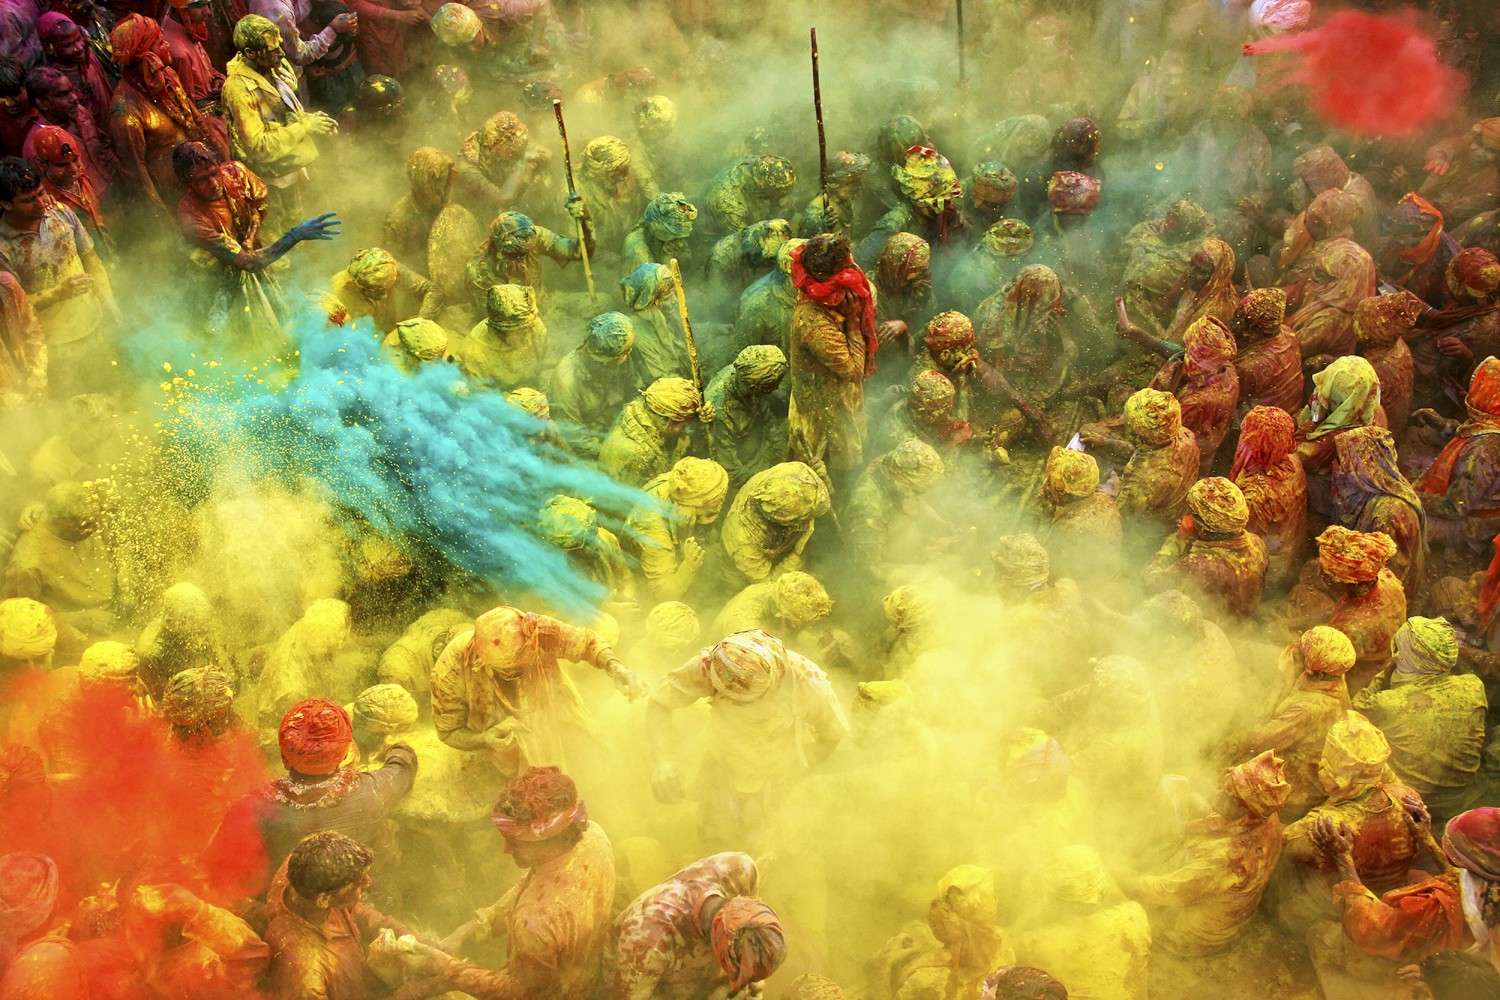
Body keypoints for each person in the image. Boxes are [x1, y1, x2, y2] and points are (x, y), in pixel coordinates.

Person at [390, 767, 616, 999]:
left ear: (545, 840)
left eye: (515, 843)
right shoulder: (592, 836)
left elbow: (518, 993)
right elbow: (533, 886)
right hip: (591, 974)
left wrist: (446, 967)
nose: (506, 849)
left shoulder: (534, 924)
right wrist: (467, 931)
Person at [648, 629, 848, 847]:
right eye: (722, 694)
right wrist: (663, 762)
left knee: (762, 842)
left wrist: (792, 776)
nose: (731, 702)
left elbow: (833, 735)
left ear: (772, 685)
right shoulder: (713, 664)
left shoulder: (806, 682)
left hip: (773, 771)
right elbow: (660, 702)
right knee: (711, 831)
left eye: (743, 701)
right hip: (720, 760)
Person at [203, 699, 416, 902]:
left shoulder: (251, 807)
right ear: (344, 756)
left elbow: (215, 875)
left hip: (281, 911)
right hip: (367, 908)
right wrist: (397, 747)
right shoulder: (371, 791)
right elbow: (402, 768)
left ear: (284, 757)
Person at [429, 605, 645, 779]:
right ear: (483, 661)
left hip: (559, 709)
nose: (521, 677)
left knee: (594, 763)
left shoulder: (536, 629)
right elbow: (449, 732)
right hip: (504, 742)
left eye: (526, 664)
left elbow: (587, 642)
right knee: (530, 791)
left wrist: (617, 668)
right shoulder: (451, 669)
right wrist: (484, 738)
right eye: (511, 672)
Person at [172, 139, 341, 348]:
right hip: (219, 279)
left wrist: (250, 238)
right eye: (202, 180)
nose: (213, 183)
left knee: (276, 325)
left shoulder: (235, 173)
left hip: (253, 259)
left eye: (214, 173)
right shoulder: (192, 216)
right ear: (187, 182)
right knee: (230, 342)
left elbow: (259, 206)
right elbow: (248, 263)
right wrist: (295, 235)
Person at [1124, 751, 1290, 956]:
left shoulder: (1228, 857)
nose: (1219, 793)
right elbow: (1218, 823)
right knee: (1193, 804)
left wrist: (1126, 878)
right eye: (1226, 785)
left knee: (1133, 917)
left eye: (1229, 795)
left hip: (1196, 932)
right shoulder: (1265, 813)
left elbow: (1168, 891)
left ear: (1247, 811)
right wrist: (1176, 827)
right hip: (1230, 908)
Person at [264, 831, 445, 1000]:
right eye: (357, 884)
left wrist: (426, 945)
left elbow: (363, 915)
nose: (368, 882)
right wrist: (425, 989)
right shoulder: (305, 976)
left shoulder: (301, 868)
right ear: (324, 900)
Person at [0, 157, 118, 396]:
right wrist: (59, 293)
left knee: (114, 395)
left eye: (41, 193)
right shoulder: (4, 247)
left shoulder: (61, 214)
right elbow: (12, 312)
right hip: (55, 347)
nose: (41, 204)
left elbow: (91, 259)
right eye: (28, 200)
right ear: (5, 204)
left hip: (94, 326)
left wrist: (109, 303)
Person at [1353, 617, 1487, 821]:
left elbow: (1356, 707)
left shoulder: (1389, 703)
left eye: (1399, 651)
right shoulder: (1473, 686)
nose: (1396, 655)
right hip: (1459, 799)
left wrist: (1384, 673)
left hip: (1406, 803)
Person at [613, 852, 785, 1000]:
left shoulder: (741, 871)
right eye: (739, 971)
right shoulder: (650, 935)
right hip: (640, 981)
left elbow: (754, 940)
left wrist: (752, 982)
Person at [221, 14, 337, 223]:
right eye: (273, 49)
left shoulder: (273, 67)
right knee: (279, 234)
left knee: (302, 223)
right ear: (250, 53)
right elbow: (258, 147)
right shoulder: (238, 89)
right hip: (268, 184)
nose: (281, 53)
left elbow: (282, 114)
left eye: (279, 45)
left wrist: (315, 122)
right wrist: (305, 126)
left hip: (290, 168)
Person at [107, 14, 225, 211]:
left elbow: (194, 119)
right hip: (175, 198)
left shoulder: (167, 76)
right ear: (146, 56)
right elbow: (137, 175)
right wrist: (162, 218)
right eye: (161, 42)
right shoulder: (125, 111)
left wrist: (219, 157)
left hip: (204, 177)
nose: (168, 45)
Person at [787, 233, 878, 485]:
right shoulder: (813, 322)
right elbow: (853, 371)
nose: (852, 273)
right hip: (824, 413)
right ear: (823, 277)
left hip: (841, 399)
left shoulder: (830, 287)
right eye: (844, 272)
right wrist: (853, 320)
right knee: (825, 474)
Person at [1239, 626, 1355, 817]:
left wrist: (1281, 682)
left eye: (1300, 652)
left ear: (1315, 672)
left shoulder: (1308, 708)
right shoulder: (1335, 677)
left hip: (1298, 791)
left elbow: (1258, 741)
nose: (1292, 651)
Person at [1012, 845, 1151, 1000]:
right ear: (1102, 888)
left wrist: (1031, 909)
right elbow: (1115, 897)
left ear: (1052, 898)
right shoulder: (1134, 917)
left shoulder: (1032, 944)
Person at [1147, 476, 1268, 621]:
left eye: (1192, 513)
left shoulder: (1201, 565)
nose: (1187, 517)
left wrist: (1180, 539)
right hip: (1242, 623)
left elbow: (1150, 583)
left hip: (1210, 628)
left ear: (1205, 527)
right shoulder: (1257, 544)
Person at [1331, 427, 1426, 594]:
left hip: (1383, 595)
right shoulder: (1378, 488)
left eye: (1343, 461)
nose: (1336, 467)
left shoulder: (1388, 514)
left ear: (1362, 467)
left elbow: (1387, 578)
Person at [1421, 356, 1500, 557]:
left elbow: (1454, 507)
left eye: (1477, 386)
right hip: (1475, 511)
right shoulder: (1491, 423)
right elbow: (1469, 434)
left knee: (1400, 520)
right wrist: (1444, 424)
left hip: (1472, 527)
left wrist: (1412, 498)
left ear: (1485, 396)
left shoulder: (1484, 450)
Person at [1315, 525, 1409, 692]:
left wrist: (1288, 638)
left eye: (1326, 573)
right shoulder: (1384, 577)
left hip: (1359, 681)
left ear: (1346, 581)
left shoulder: (1353, 627)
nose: (1320, 576)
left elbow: (1322, 663)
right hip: (1385, 654)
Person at [623, 457, 730, 603]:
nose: (713, 515)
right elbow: (665, 595)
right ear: (687, 509)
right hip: (641, 580)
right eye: (709, 512)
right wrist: (689, 567)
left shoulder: (679, 486)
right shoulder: (652, 527)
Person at [719, 461, 831, 590]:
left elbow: (813, 494)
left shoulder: (786, 475)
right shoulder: (742, 542)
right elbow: (767, 585)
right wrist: (796, 554)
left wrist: (822, 480)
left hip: (778, 549)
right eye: (803, 518)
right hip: (743, 576)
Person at [1112, 387, 1200, 546]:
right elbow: (1147, 452)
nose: (1123, 422)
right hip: (1170, 517)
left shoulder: (1143, 482)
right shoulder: (1184, 436)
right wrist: (1107, 443)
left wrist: (1106, 493)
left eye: (1127, 423)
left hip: (1146, 537)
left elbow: (1118, 519)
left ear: (1138, 437)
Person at [464, 206, 594, 312]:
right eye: (516, 254)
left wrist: (585, 220)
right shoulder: (479, 271)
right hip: (520, 319)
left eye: (527, 251)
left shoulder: (531, 236)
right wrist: (519, 282)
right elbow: (498, 320)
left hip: (545, 304)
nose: (523, 257)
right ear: (500, 248)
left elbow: (581, 252)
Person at [548, 312, 637, 459]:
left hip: (615, 429)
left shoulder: (620, 357)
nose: (626, 357)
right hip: (587, 447)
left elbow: (631, 393)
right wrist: (609, 453)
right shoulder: (566, 380)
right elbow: (574, 436)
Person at [599, 376, 709, 489]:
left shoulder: (636, 414)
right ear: (666, 421)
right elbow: (643, 495)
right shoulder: (639, 454)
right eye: (684, 425)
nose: (685, 428)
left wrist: (706, 417)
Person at [704, 344, 788, 491]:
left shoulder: (747, 373)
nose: (775, 389)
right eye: (768, 388)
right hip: (739, 466)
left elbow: (770, 423)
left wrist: (782, 458)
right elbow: (731, 470)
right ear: (753, 387)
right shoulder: (720, 410)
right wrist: (769, 482)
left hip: (754, 444)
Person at [23, 67, 115, 199]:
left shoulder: (80, 113)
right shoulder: (36, 146)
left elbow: (105, 147)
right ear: (42, 103)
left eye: (72, 90)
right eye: (62, 95)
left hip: (116, 193)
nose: (74, 98)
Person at [1042, 445, 1122, 581]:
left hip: (1083, 587)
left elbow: (1049, 572)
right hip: (1108, 574)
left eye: (1050, 483)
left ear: (1064, 492)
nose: (1046, 486)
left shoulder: (1067, 529)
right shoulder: (1104, 500)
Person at [324, 246, 441, 335]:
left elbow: (434, 290)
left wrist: (421, 323)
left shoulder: (386, 266)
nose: (384, 296)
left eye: (387, 289)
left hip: (387, 331)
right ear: (362, 287)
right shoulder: (339, 295)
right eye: (378, 291)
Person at [1353, 292, 1423, 435]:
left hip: (1380, 433)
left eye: (1359, 321)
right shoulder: (1398, 345)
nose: (1353, 323)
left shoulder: (1374, 368)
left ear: (1372, 330)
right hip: (1397, 426)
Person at [452, 282, 543, 390]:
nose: (525, 333)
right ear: (499, 330)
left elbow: (544, 366)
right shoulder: (473, 354)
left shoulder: (535, 327)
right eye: (517, 330)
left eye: (526, 328)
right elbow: (478, 395)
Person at [1230, 287, 1303, 416]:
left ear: (1253, 329)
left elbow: (1227, 399)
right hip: (1288, 412)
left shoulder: (1251, 366)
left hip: (1262, 419)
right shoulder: (1287, 333)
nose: (1235, 322)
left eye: (1241, 318)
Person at [620, 261, 692, 388]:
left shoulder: (664, 315)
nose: (675, 300)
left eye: (673, 293)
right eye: (667, 297)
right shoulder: (639, 336)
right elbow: (659, 384)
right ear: (651, 301)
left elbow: (683, 333)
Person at [701, 153, 796, 237]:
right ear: (765, 187)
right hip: (714, 238)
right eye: (781, 190)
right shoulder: (729, 204)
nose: (786, 193)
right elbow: (744, 241)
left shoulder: (760, 166)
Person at [622, 191, 696, 271]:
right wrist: (667, 261)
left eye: (682, 238)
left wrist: (683, 259)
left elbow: (686, 257)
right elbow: (654, 278)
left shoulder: (673, 237)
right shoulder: (637, 251)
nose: (680, 244)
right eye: (675, 239)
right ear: (657, 235)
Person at [0, 271, 40, 409]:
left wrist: (37, 377)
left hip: (25, 385)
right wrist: (10, 400)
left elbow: (33, 330)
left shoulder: (7, 286)